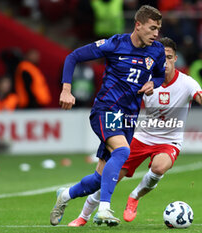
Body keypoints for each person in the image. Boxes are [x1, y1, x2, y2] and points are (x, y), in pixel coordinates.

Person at [67, 37, 202, 227]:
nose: (165, 62)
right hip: (141, 136)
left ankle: (134, 197)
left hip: (169, 140)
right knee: (110, 176)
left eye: (169, 57)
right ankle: (83, 216)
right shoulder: (146, 79)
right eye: (162, 58)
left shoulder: (187, 82)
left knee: (159, 167)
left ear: (175, 58)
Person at [50, 5, 165, 227]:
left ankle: (64, 196)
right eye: (152, 28)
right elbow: (73, 57)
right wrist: (66, 89)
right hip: (106, 109)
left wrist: (153, 83)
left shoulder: (157, 51)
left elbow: (159, 75)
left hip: (129, 117)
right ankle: (103, 210)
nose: (156, 34)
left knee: (98, 179)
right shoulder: (115, 44)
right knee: (122, 151)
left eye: (158, 29)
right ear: (138, 25)